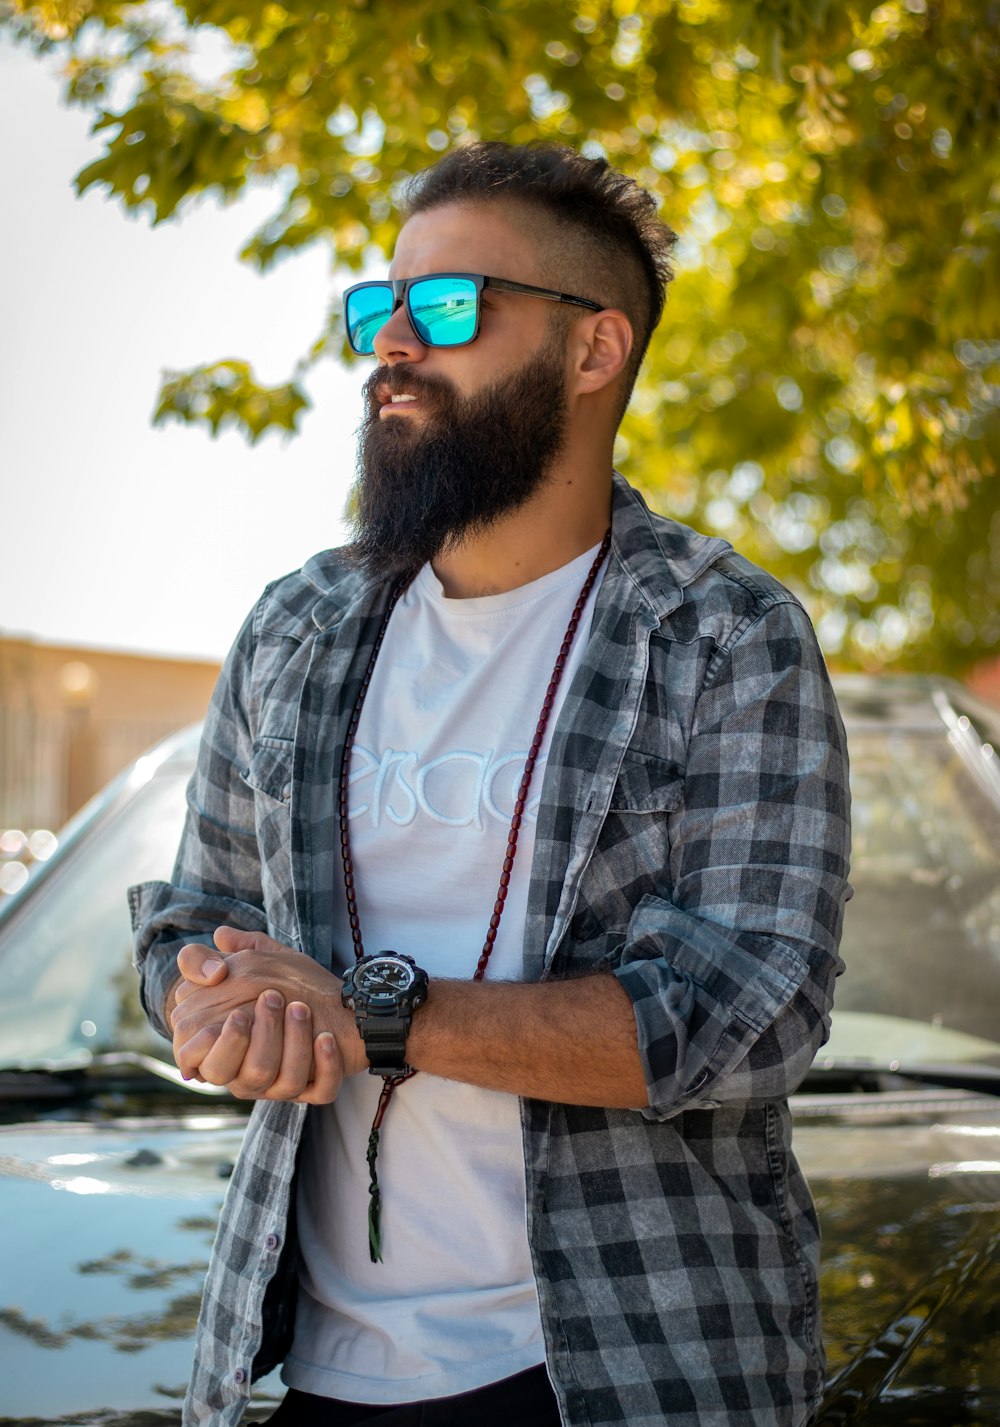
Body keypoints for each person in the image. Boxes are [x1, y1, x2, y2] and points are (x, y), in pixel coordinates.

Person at [132, 141, 851, 1427]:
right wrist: (206, 998)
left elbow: (753, 1009)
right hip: (293, 1372)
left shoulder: (724, 632)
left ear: (594, 351)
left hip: (620, 1369)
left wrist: (371, 1015)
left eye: (451, 305)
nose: (393, 341)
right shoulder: (300, 621)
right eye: (378, 304)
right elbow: (193, 916)